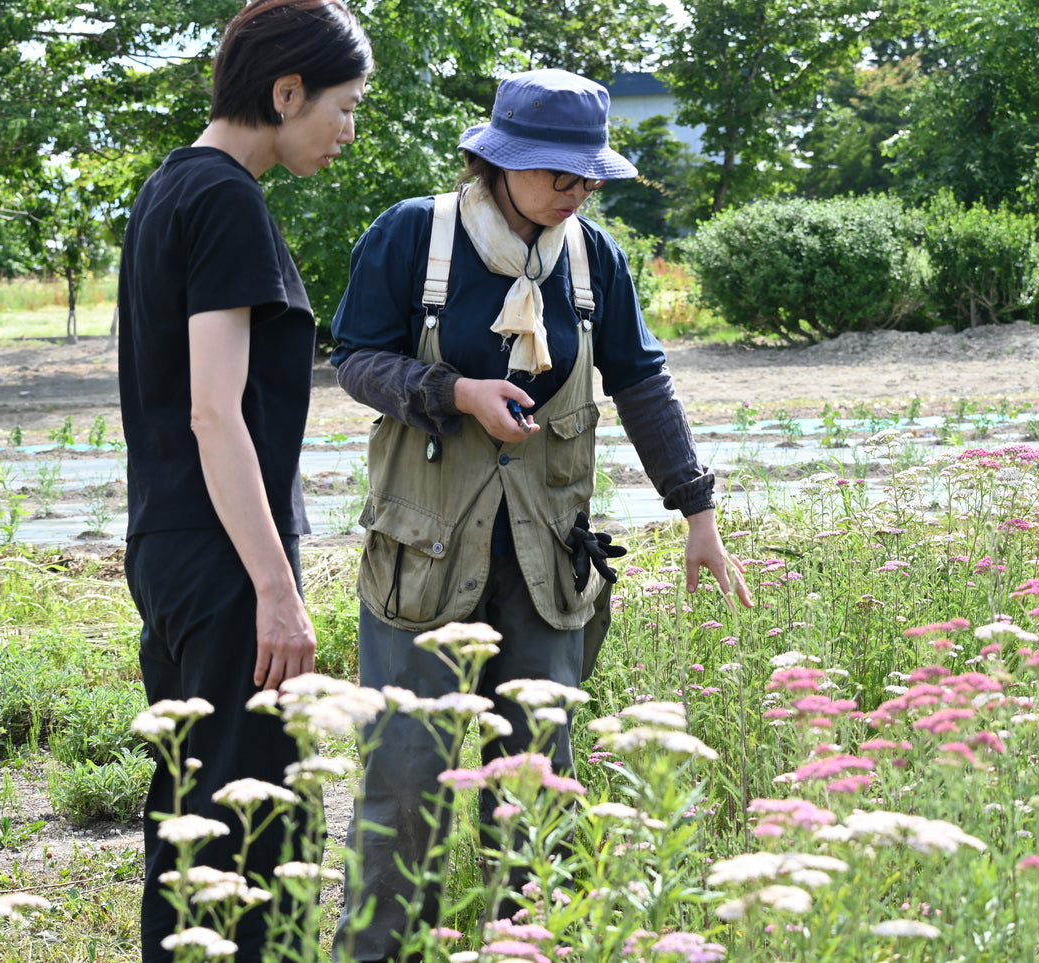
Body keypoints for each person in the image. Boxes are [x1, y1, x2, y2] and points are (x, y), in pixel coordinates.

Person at [328, 68, 754, 961]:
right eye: (560, 175)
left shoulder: (595, 260)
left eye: (588, 177)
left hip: (547, 566)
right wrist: (451, 390)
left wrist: (697, 510)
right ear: (499, 162)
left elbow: (642, 382)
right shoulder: (416, 235)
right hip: (424, 564)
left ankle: (531, 947)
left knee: (536, 790)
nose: (577, 192)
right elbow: (357, 360)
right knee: (406, 781)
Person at [115, 2, 372, 960]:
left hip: (171, 541)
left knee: (194, 812)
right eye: (344, 107)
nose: (349, 131)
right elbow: (213, 411)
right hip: (225, 556)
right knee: (250, 824)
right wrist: (275, 586)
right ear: (286, 90)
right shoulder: (224, 198)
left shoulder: (167, 188)